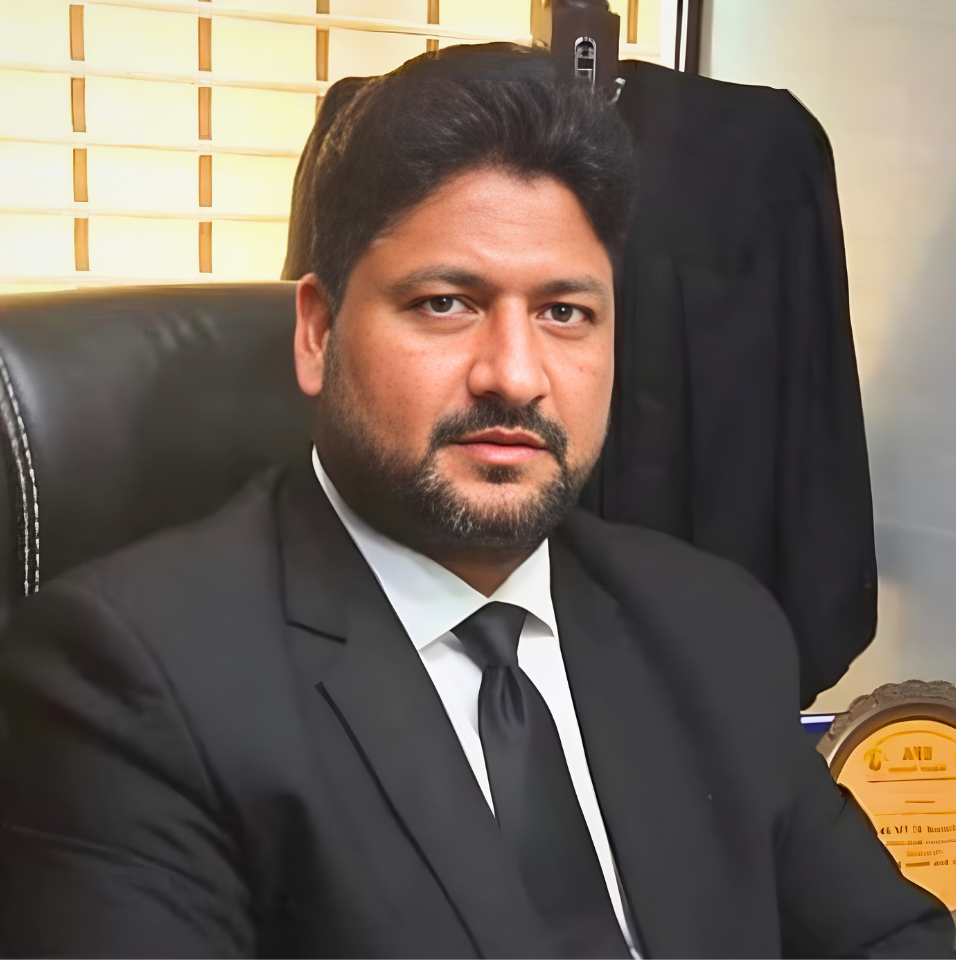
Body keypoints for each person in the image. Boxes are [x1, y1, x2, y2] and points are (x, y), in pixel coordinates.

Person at [0, 60, 950, 960]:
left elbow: (890, 939)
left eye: (565, 313)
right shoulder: (129, 684)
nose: (515, 375)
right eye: (446, 303)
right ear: (318, 332)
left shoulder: (712, 624)